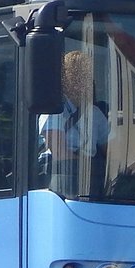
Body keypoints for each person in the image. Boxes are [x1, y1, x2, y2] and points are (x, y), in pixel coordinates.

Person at [38, 50, 110, 194]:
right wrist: (91, 166)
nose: (83, 82)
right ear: (66, 80)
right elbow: (60, 154)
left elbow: (111, 151)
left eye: (86, 76)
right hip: (63, 179)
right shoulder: (54, 110)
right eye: (76, 76)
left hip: (93, 179)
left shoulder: (95, 113)